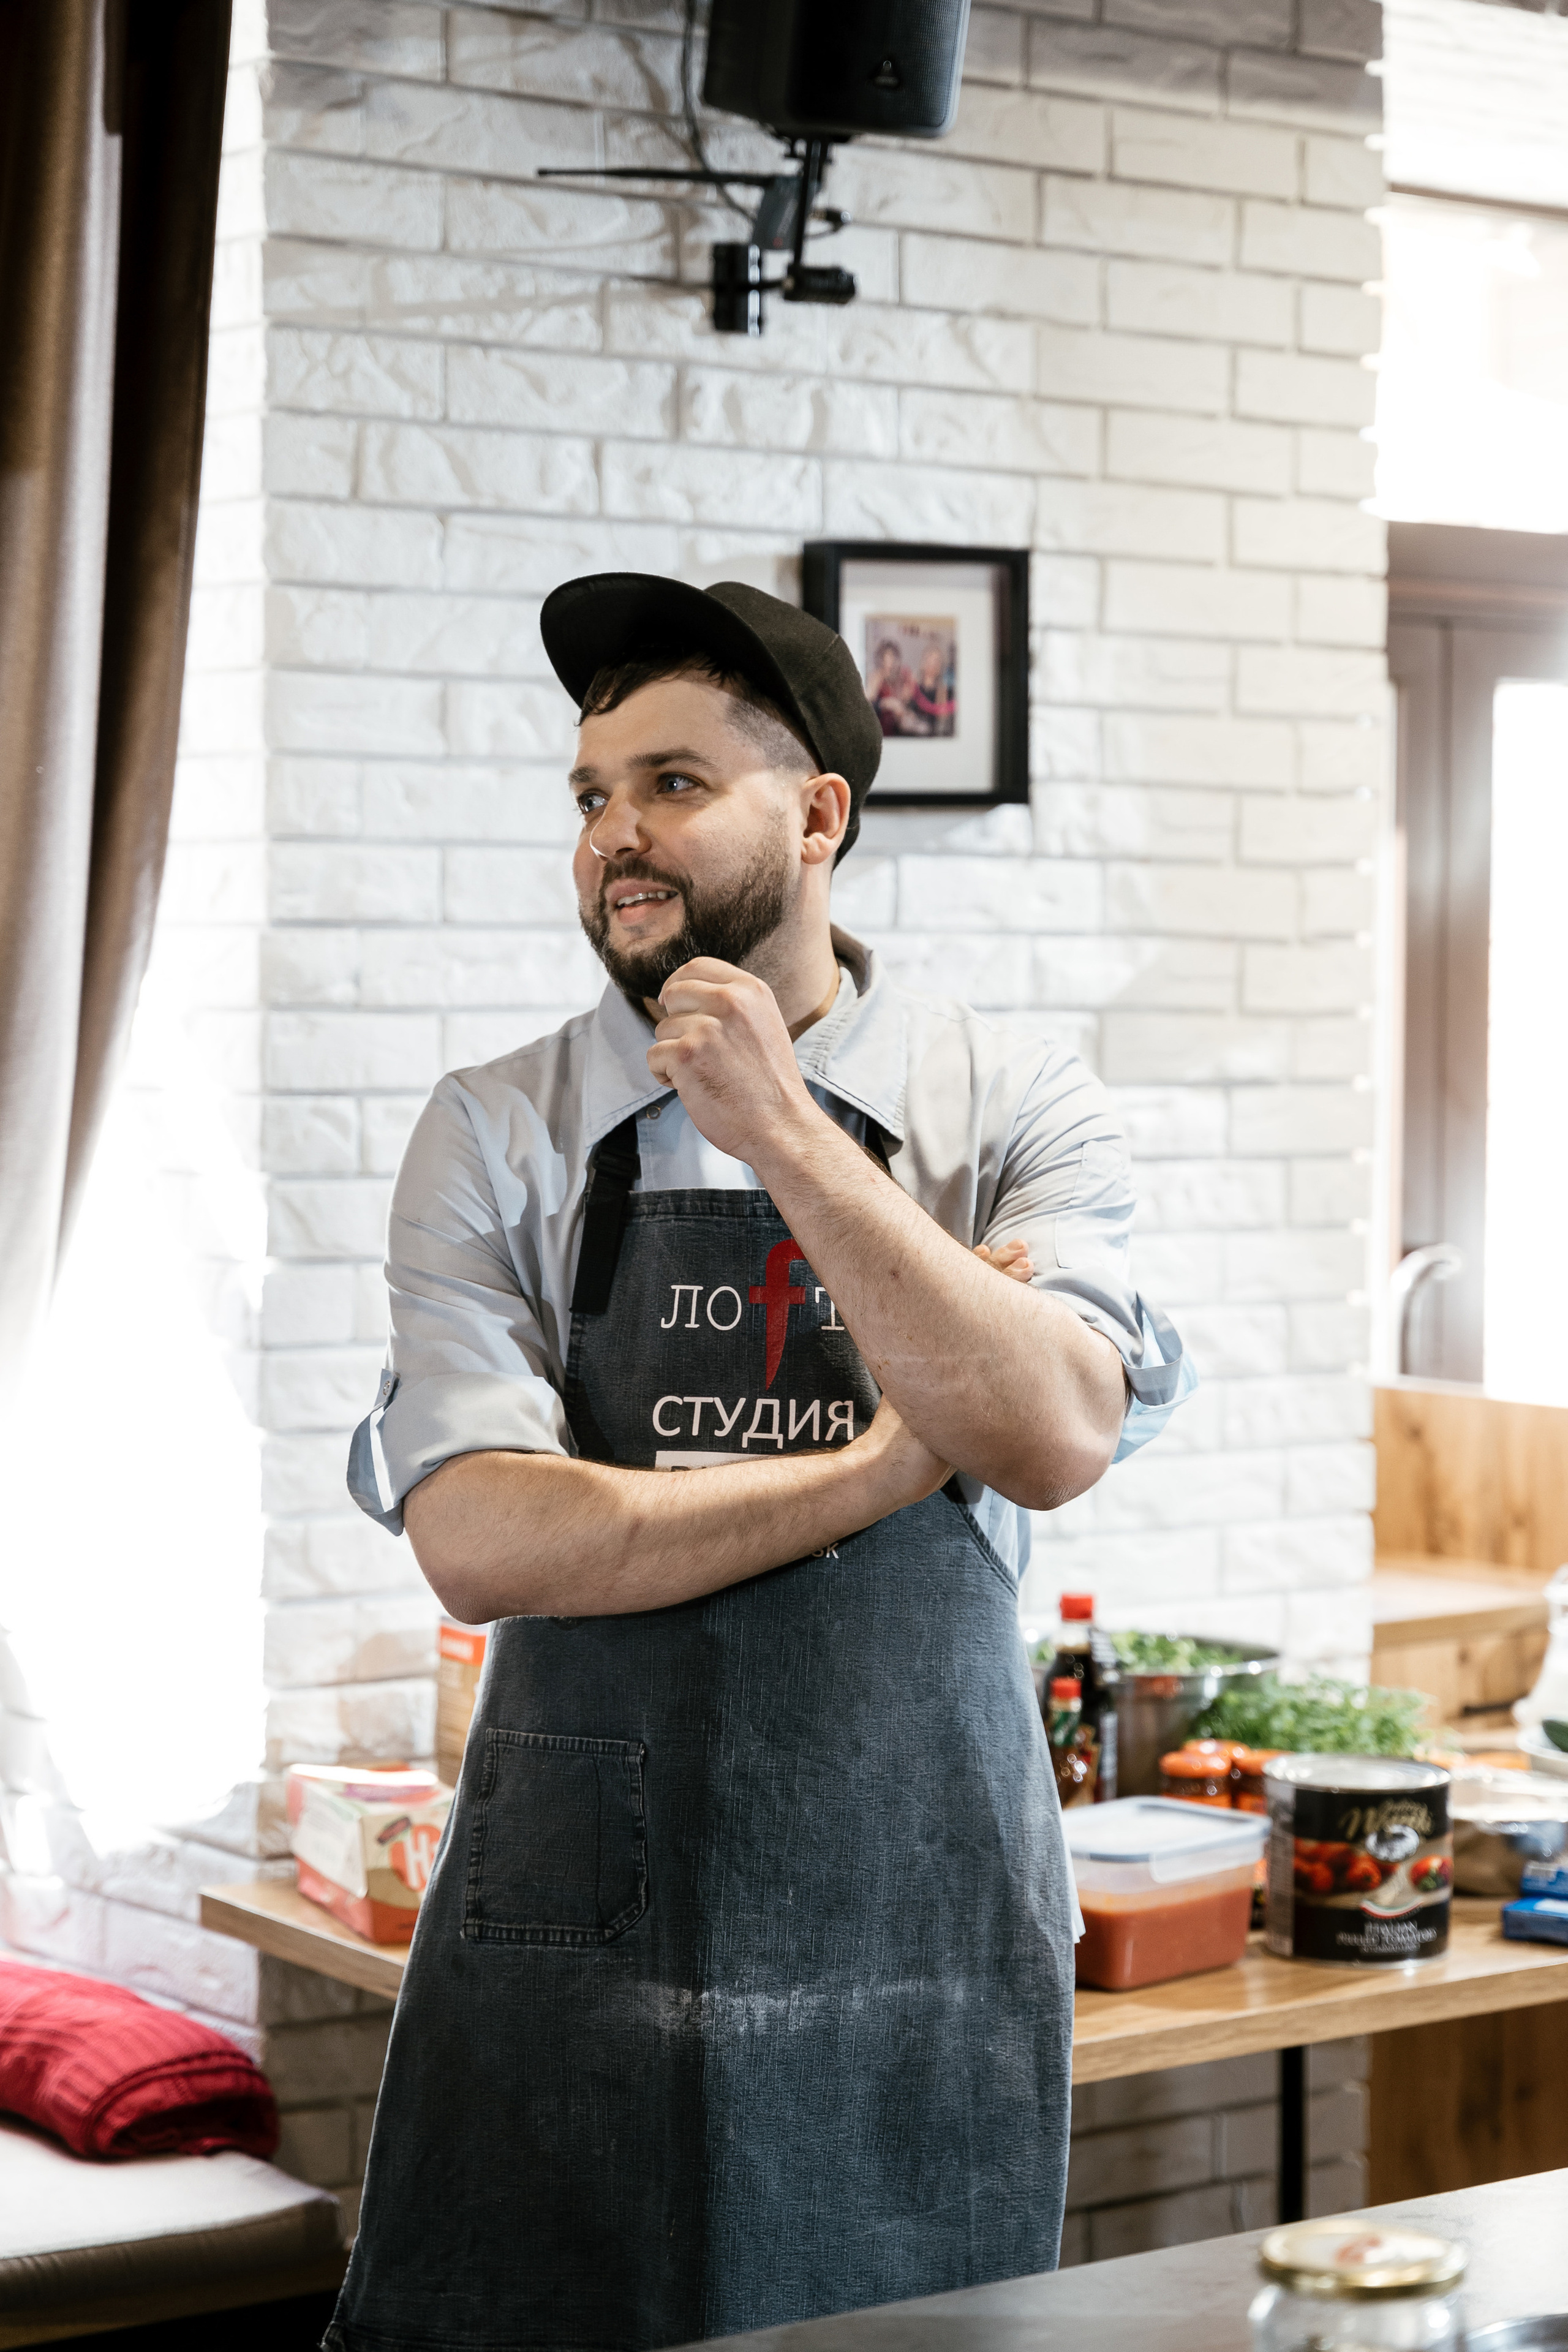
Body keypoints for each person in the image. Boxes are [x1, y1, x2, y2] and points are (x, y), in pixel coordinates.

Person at [326, 575, 1193, 2352]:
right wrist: (891, 1462)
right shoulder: (495, 1128)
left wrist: (787, 1132)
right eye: (587, 796)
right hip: (575, 1913)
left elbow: (1050, 1431)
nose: (614, 839)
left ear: (816, 819)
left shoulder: (1009, 1099)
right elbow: (486, 1539)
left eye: (670, 784)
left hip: (913, 1915)